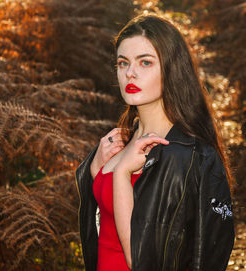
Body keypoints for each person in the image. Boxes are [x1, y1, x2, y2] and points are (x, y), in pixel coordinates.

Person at [75, 14, 235, 271]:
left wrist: (121, 175)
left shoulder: (193, 156)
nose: (130, 73)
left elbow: (142, 261)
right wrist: (95, 173)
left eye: (145, 62)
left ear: (172, 69)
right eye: (122, 63)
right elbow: (100, 229)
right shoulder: (119, 142)